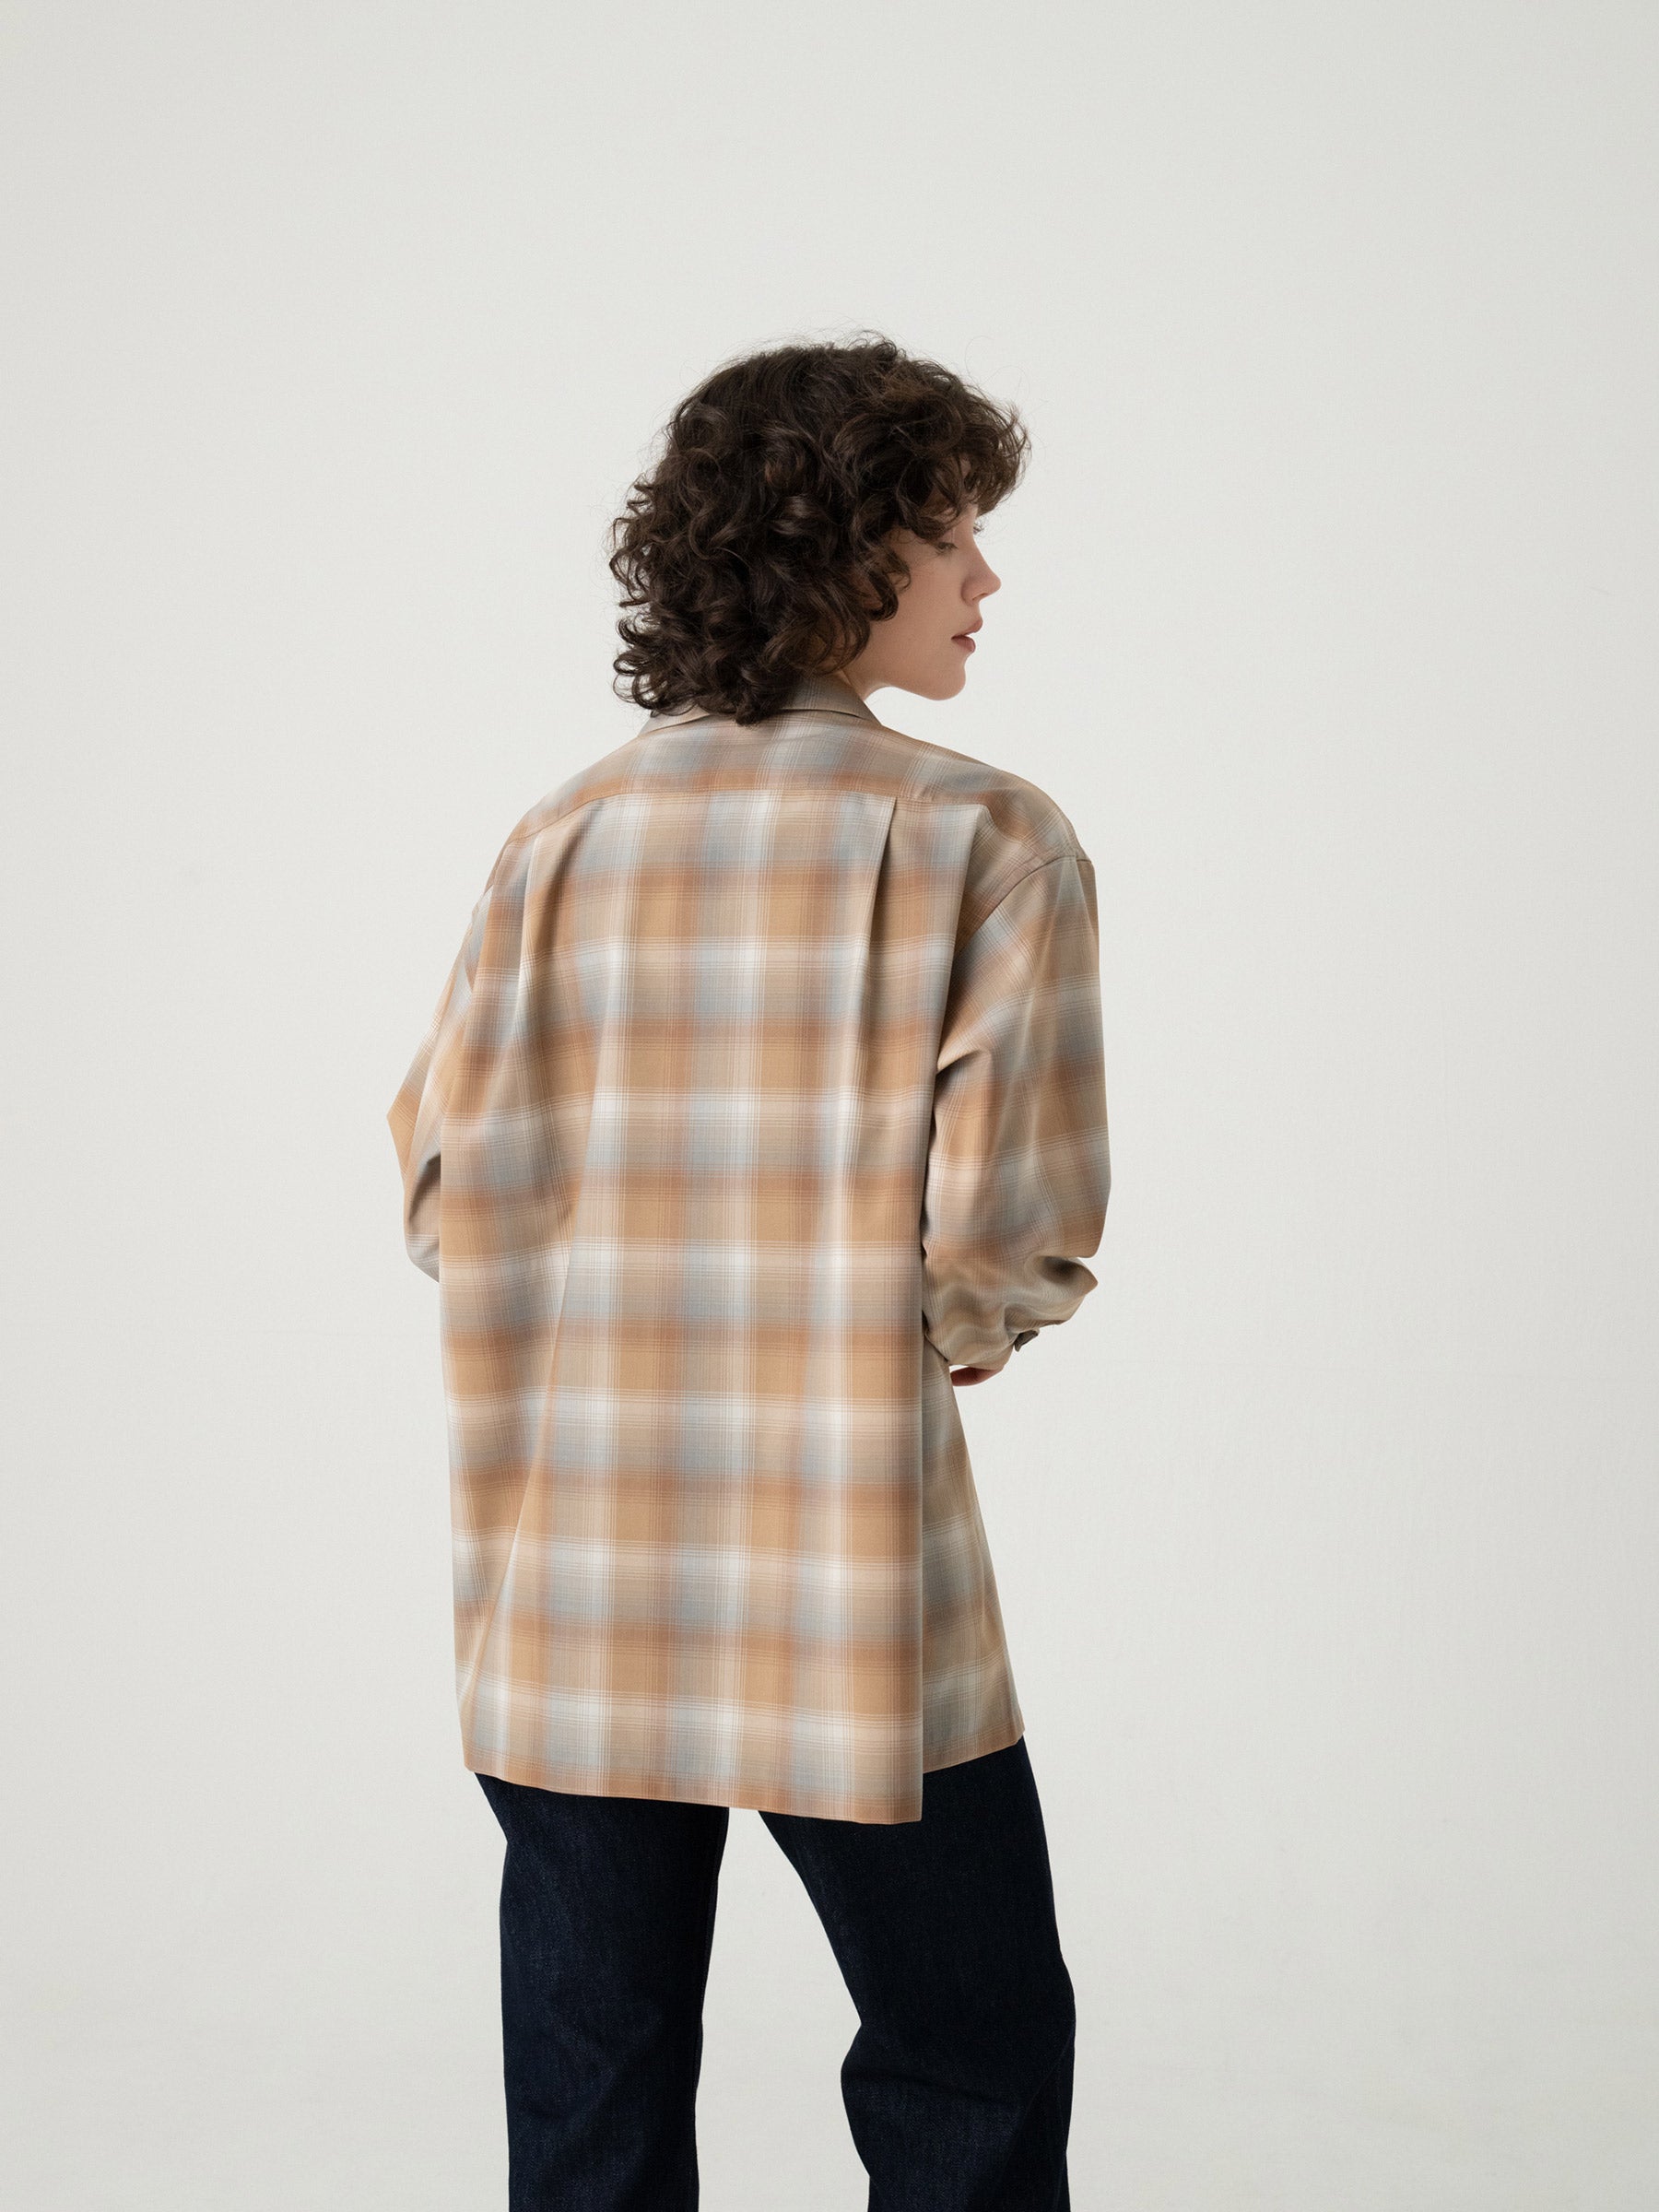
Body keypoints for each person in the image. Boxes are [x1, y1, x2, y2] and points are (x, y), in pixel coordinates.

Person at [386, 334, 1111, 2210]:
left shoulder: (562, 835)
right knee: (971, 2045)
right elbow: (1008, 1231)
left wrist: (609, 1277)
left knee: (596, 2083)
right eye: (952, 533)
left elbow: (443, 1183)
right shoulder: (985, 837)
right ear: (846, 548)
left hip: (574, 1560)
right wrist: (951, 1322)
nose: (987, 577)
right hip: (841, 1557)